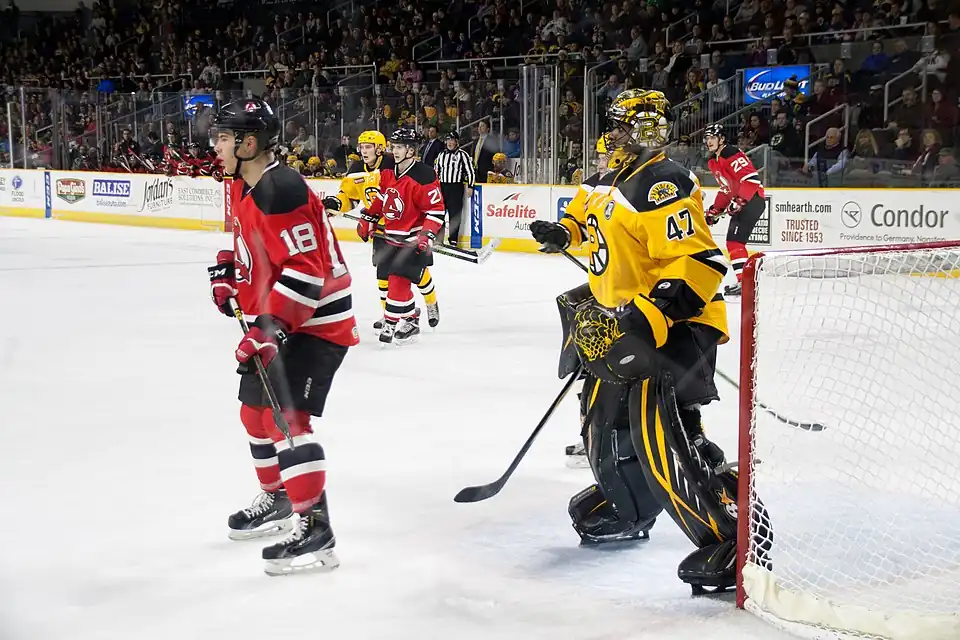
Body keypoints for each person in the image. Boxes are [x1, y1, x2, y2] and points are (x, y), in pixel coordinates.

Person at [529, 89, 747, 594]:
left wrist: (652, 314)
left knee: (661, 434)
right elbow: (586, 222)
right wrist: (563, 233)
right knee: (602, 424)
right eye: (623, 126)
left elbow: (699, 262)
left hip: (674, 326)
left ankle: (729, 531)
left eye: (630, 127)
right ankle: (627, 505)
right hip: (622, 324)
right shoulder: (610, 176)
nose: (620, 135)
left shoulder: (662, 182)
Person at [207, 97, 359, 576]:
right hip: (283, 318)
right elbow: (253, 244)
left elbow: (307, 271)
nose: (216, 147)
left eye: (224, 138)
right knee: (253, 414)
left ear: (249, 144)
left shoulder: (282, 189)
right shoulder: (243, 184)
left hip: (317, 322)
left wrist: (269, 327)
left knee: (285, 420)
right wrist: (230, 272)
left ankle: (316, 529)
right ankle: (278, 498)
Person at [324, 130, 442, 330]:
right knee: (383, 277)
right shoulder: (356, 169)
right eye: (361, 147)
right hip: (379, 228)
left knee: (417, 274)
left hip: (406, 227)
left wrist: (426, 230)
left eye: (368, 147)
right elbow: (349, 198)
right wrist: (336, 204)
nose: (363, 151)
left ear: (379, 148)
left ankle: (431, 303)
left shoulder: (391, 164)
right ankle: (391, 314)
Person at [356, 128, 446, 345]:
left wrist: (426, 234)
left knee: (399, 280)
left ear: (411, 150)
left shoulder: (424, 175)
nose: (394, 151)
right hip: (390, 237)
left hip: (413, 240)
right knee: (386, 279)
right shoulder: (389, 171)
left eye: (399, 147)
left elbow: (436, 211)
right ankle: (411, 318)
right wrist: (369, 216)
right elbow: (382, 197)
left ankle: (391, 321)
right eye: (393, 146)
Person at [703, 123, 766, 296]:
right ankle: (744, 282)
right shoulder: (713, 161)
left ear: (722, 139)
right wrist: (715, 210)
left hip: (753, 199)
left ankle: (746, 283)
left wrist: (740, 200)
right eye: (707, 138)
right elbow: (726, 190)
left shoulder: (730, 152)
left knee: (734, 242)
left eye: (713, 137)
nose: (709, 141)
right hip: (746, 201)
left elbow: (751, 179)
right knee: (733, 242)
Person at [433, 131, 476, 248]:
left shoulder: (463, 155)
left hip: (456, 187)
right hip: (442, 187)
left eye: (452, 140)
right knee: (440, 213)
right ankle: (439, 238)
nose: (450, 142)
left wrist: (471, 186)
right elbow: (436, 171)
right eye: (448, 140)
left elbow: (470, 171)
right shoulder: (441, 154)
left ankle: (453, 240)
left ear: (457, 142)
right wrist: (434, 186)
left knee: (455, 215)